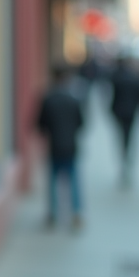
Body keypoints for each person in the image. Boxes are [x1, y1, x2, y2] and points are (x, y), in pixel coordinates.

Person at [38, 67, 85, 228]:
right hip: (71, 146)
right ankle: (76, 214)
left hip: (54, 146)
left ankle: (53, 215)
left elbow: (40, 125)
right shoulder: (74, 100)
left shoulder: (48, 99)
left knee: (52, 182)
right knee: (73, 181)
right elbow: (81, 123)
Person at [110, 55, 139, 182]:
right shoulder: (135, 78)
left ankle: (124, 158)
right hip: (131, 112)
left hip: (119, 112)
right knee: (129, 136)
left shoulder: (117, 77)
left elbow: (114, 96)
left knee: (122, 137)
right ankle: (127, 159)